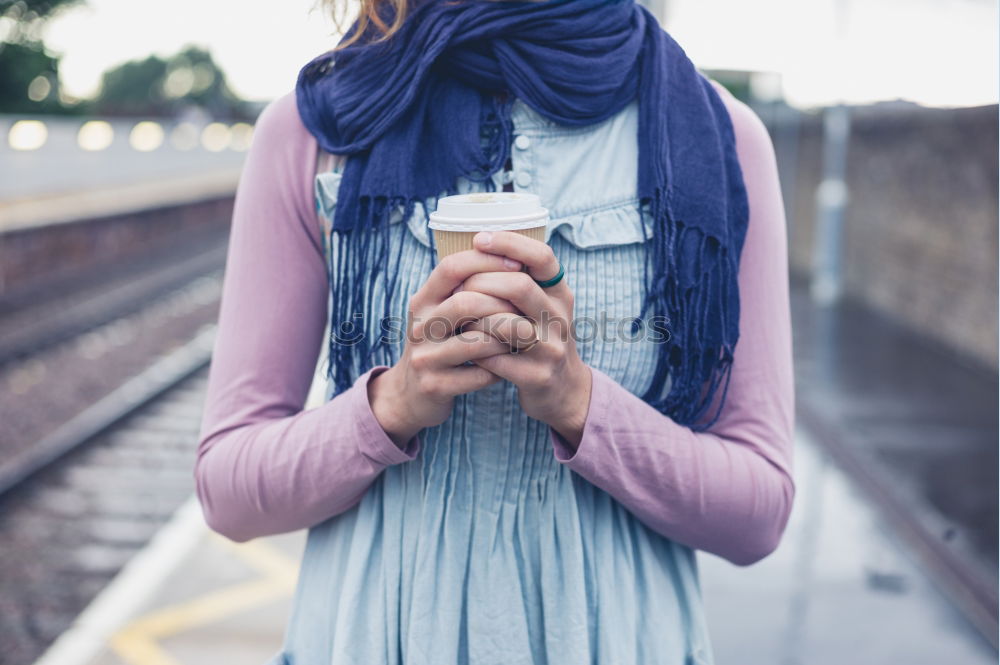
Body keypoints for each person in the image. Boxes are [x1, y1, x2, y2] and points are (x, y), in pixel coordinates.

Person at [195, 0, 795, 662]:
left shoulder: (719, 137)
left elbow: (758, 512)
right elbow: (228, 491)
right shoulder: (317, 129)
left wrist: (580, 404)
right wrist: (391, 405)